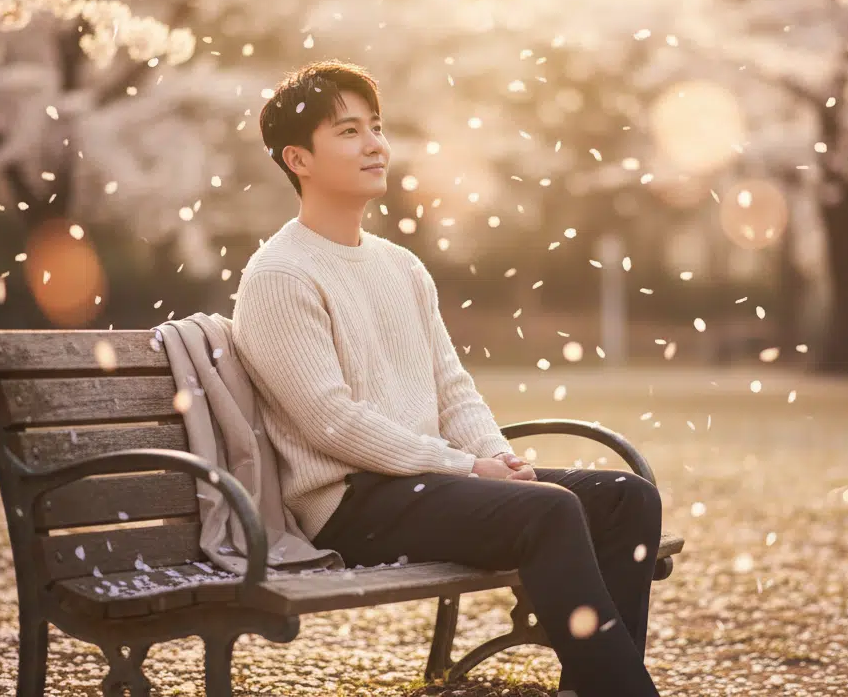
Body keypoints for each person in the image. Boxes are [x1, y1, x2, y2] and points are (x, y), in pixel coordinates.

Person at [232, 59, 663, 697]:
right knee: (548, 512)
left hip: (429, 482)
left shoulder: (401, 266)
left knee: (629, 498)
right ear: (298, 159)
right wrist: (464, 468)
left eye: (376, 127)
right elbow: (331, 420)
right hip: (352, 504)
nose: (375, 145)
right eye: (348, 132)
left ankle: (593, 682)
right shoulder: (280, 276)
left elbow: (451, 386)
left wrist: (494, 457)